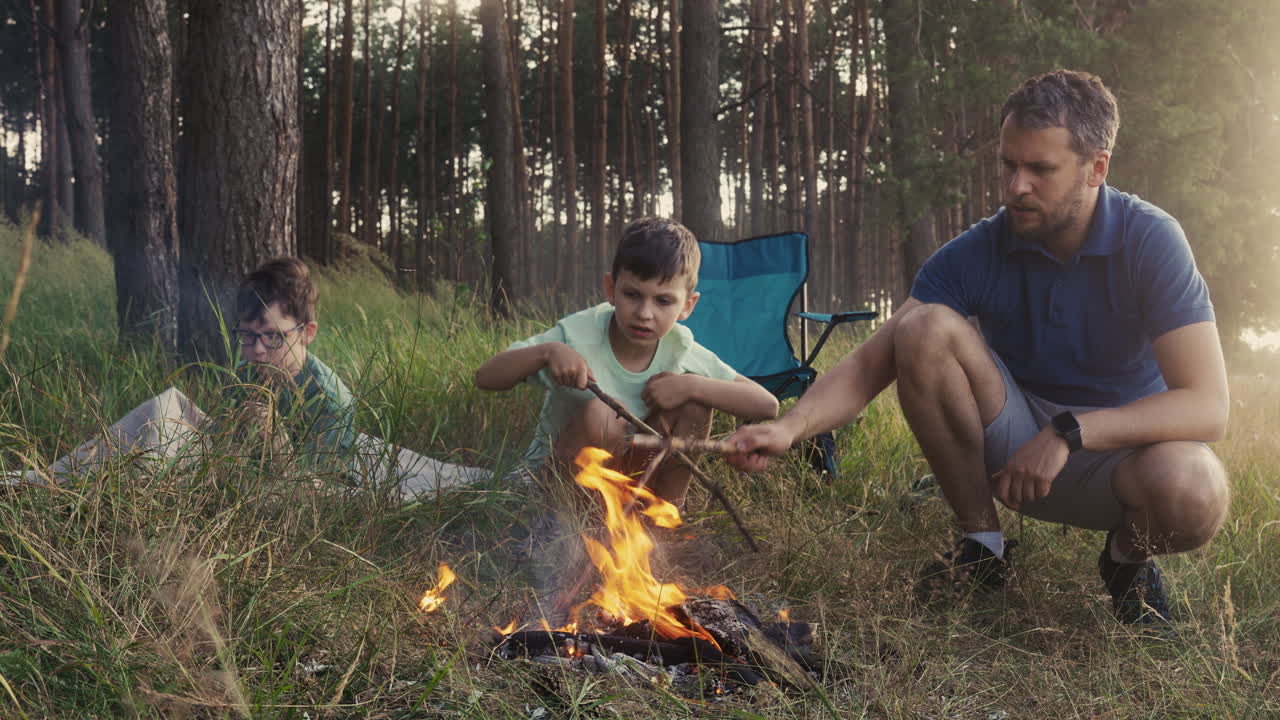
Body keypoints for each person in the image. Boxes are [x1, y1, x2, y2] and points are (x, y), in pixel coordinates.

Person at [728, 70, 1230, 626]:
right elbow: (873, 359)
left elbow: (1208, 406)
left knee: (1196, 488)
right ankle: (982, 545)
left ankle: (1125, 563)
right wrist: (790, 427)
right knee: (920, 329)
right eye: (1008, 165)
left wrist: (1069, 432)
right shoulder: (979, 248)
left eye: (1039, 169)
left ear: (1097, 169)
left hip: (1119, 460)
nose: (1016, 186)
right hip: (1009, 447)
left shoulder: (1151, 239)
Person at [8, 257, 486, 500]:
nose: (258, 351)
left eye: (273, 339)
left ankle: (114, 493)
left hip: (292, 484)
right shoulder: (245, 372)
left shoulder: (330, 400)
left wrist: (272, 443)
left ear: (307, 333)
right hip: (236, 472)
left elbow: (315, 491)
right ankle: (45, 482)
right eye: (246, 336)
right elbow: (226, 449)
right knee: (164, 408)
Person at [476, 216, 779, 507]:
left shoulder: (680, 347)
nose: (645, 313)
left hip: (632, 482)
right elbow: (486, 377)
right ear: (611, 289)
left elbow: (766, 404)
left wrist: (691, 386)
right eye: (633, 294)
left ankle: (665, 518)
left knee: (696, 403)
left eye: (663, 301)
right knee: (601, 415)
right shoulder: (577, 335)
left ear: (687, 305)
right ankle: (570, 527)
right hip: (557, 482)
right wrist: (547, 352)